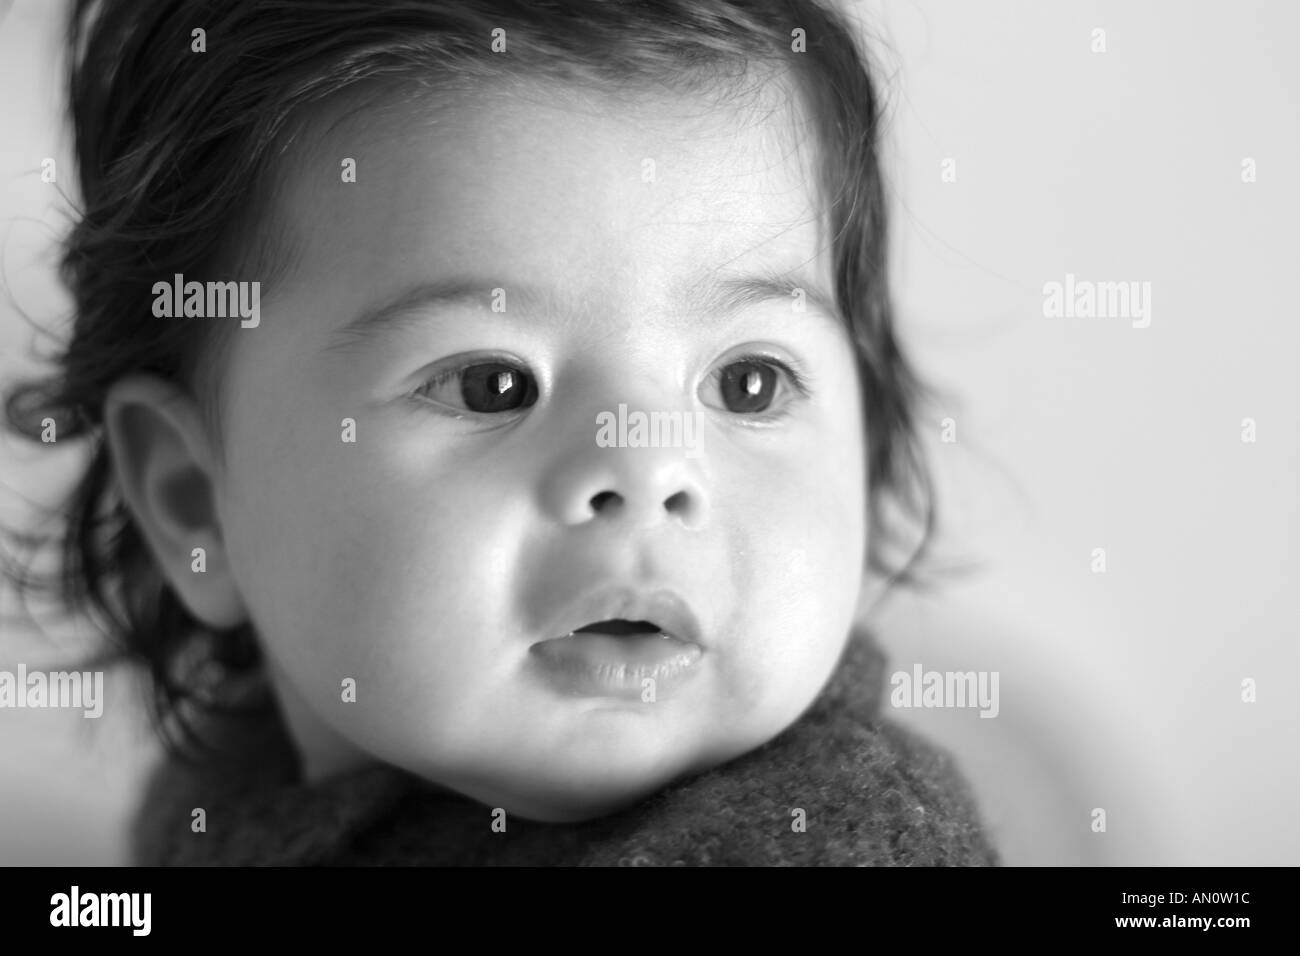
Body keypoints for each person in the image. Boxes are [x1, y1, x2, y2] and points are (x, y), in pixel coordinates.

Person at [3, 0, 999, 866]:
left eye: (747, 381)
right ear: (192, 496)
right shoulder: (221, 795)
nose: (648, 467)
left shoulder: (828, 837)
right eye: (491, 383)